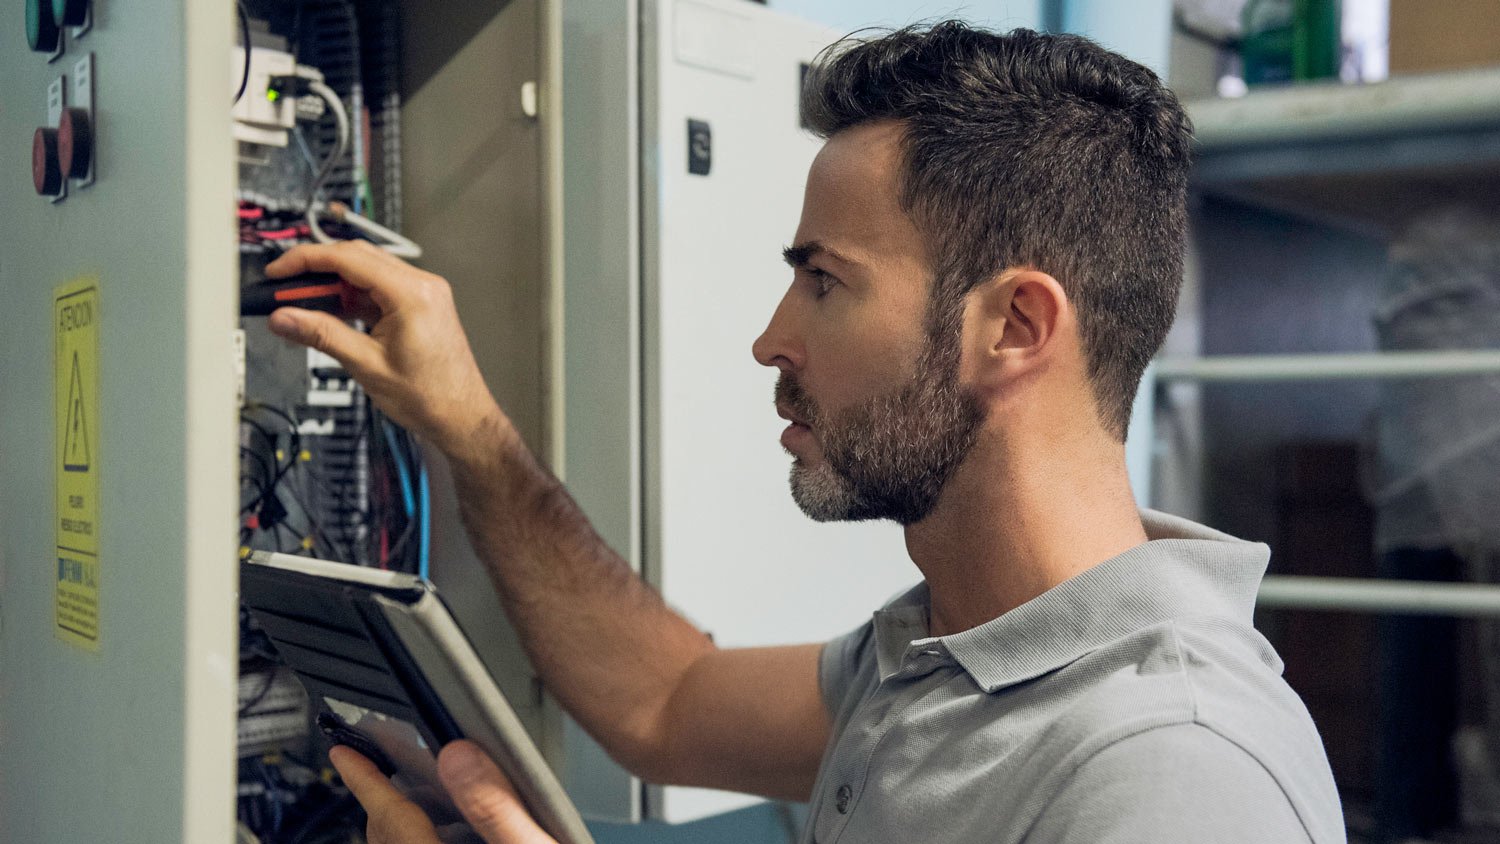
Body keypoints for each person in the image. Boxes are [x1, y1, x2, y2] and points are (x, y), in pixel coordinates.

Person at [265, 23, 1346, 844]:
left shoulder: (1177, 773)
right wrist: (470, 427)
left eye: (825, 282)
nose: (771, 340)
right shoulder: (941, 653)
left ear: (1015, 326)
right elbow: (664, 699)